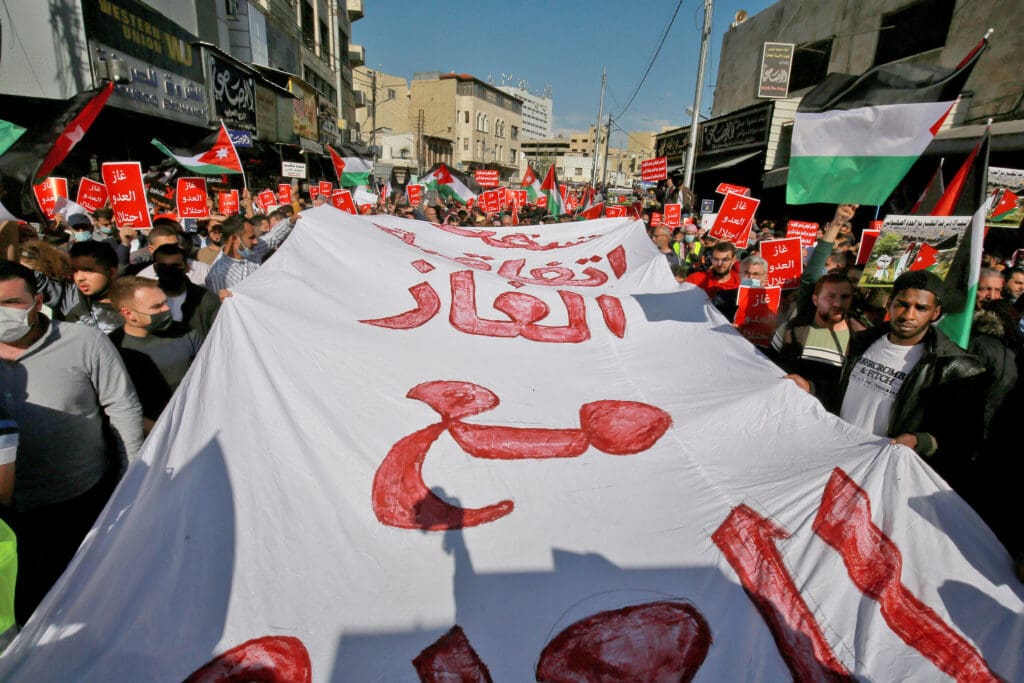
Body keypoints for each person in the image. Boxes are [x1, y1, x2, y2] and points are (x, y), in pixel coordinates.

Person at [0, 260, 143, 624]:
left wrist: (131, 480)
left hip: (79, 501)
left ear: (38, 301)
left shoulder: (85, 342)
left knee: (91, 600)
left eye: (10, 302)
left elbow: (122, 407)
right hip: (8, 518)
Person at [786, 271, 986, 493]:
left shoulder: (954, 367)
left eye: (921, 308)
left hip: (883, 477)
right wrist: (812, 388)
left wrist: (919, 441)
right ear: (889, 303)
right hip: (838, 456)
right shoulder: (864, 340)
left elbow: (963, 438)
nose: (908, 315)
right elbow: (847, 392)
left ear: (935, 312)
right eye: (902, 304)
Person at [108, 276, 203, 429]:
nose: (166, 309)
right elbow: (118, 406)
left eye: (165, 302)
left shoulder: (185, 332)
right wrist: (160, 433)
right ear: (129, 313)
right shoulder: (112, 349)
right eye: (156, 306)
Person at [772, 272, 865, 399]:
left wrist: (810, 388)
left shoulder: (859, 341)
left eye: (845, 297)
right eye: (831, 296)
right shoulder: (790, 331)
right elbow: (769, 370)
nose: (837, 304)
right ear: (815, 300)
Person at [205, 211, 297, 296]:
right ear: (234, 239)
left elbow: (272, 237)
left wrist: (290, 221)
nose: (255, 242)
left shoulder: (253, 250)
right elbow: (223, 306)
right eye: (251, 238)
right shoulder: (219, 274)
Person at [151, 244, 220, 337]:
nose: (170, 270)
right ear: (155, 268)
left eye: (175, 266)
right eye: (163, 266)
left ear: (187, 267)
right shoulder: (144, 300)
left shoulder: (208, 300)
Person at [685, 241, 741, 318]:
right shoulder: (694, 279)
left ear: (734, 260)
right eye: (716, 259)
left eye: (725, 260)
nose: (719, 264)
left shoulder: (740, 284)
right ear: (711, 259)